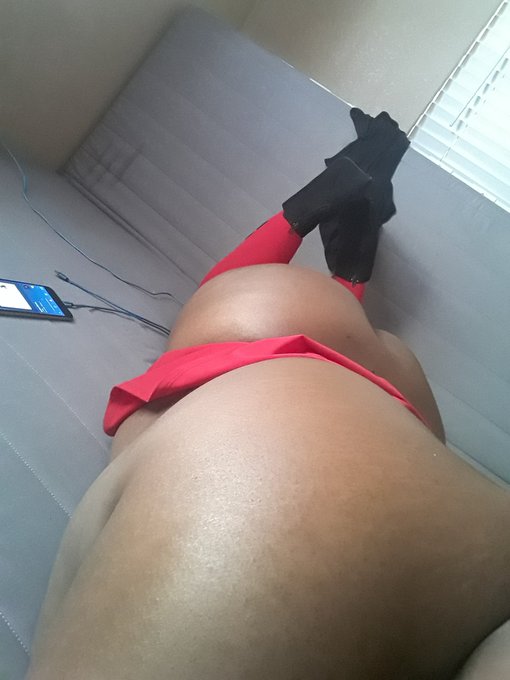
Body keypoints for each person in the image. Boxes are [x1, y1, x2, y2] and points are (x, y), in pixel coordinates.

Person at [27, 110, 510, 680]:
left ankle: (347, 216)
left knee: (233, 306)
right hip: (396, 447)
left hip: (361, 435)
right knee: (229, 303)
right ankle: (344, 217)